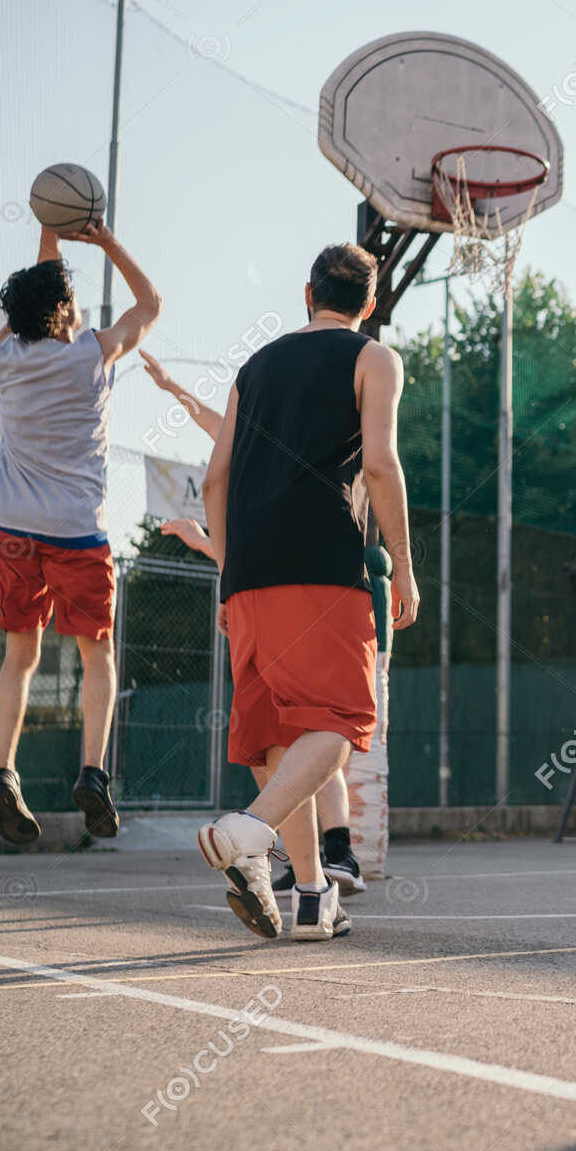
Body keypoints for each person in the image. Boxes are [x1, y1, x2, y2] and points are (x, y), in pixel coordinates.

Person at [195, 243, 418, 942]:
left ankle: (315, 896)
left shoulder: (254, 367)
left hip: (249, 571)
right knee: (349, 717)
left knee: (278, 733)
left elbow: (214, 480)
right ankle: (250, 829)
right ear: (370, 304)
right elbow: (379, 463)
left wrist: (230, 572)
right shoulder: (374, 357)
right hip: (321, 563)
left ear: (307, 293)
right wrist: (405, 563)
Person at [143, 350, 368, 896]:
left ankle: (312, 854)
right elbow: (216, 430)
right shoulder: (286, 448)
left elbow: (219, 449)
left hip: (275, 589)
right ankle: (305, 864)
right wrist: (177, 391)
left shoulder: (282, 450)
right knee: (325, 728)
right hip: (306, 585)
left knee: (296, 734)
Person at [0, 222, 161, 845]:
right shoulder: (92, 354)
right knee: (97, 656)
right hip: (78, 537)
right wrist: (110, 242)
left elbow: (39, 298)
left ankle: (6, 770)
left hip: (12, 533)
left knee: (20, 655)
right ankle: (93, 773)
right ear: (64, 312)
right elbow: (151, 305)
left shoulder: (7, 355)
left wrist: (48, 232)